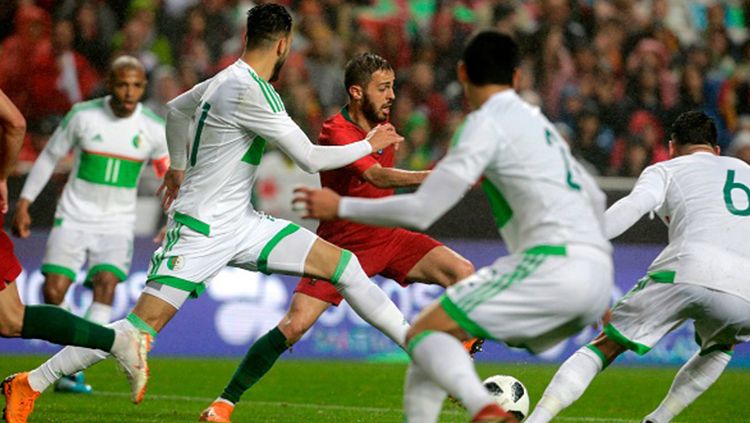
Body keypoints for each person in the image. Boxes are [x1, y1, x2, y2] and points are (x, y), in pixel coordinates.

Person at [2, 5, 411, 422]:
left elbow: (177, 109)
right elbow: (308, 157)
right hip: (200, 231)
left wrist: (177, 166)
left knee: (343, 265)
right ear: (284, 44)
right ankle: (30, 382)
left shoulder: (224, 78)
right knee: (135, 332)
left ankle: (416, 345)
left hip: (243, 223)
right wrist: (369, 143)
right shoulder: (252, 91)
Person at [297, 30, 613, 423]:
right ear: (516, 79)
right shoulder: (542, 125)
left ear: (462, 74)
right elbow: (596, 199)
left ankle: (484, 408)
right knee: (439, 335)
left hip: (549, 268)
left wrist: (339, 204)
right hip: (597, 274)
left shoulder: (482, 126)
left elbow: (421, 211)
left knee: (421, 340)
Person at [198, 52, 475, 422]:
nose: (392, 95)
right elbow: (375, 176)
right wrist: (431, 177)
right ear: (357, 92)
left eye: (392, 86)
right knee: (293, 326)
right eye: (383, 88)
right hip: (340, 246)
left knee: (464, 272)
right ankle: (224, 403)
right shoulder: (336, 130)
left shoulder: (384, 122)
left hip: (387, 237)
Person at [526, 111, 750, 423]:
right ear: (715, 150)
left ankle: (536, 420)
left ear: (671, 147)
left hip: (689, 267)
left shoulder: (666, 169)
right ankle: (658, 419)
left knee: (608, 344)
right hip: (747, 290)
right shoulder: (745, 170)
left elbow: (633, 207)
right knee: (721, 345)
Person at [10, 55, 169, 394]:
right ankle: (76, 352)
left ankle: (70, 372)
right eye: (123, 84)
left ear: (144, 87)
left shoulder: (154, 129)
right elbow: (50, 156)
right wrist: (25, 202)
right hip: (74, 215)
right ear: (111, 84)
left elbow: (170, 178)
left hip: (118, 222)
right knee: (52, 291)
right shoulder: (83, 116)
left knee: (106, 283)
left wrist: (172, 218)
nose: (129, 92)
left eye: (136, 85)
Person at [0, 89, 149, 423]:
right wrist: (1, 178)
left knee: (11, 317)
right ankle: (114, 340)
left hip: (109, 222)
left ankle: (114, 340)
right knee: (10, 318)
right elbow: (15, 123)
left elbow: (17, 124)